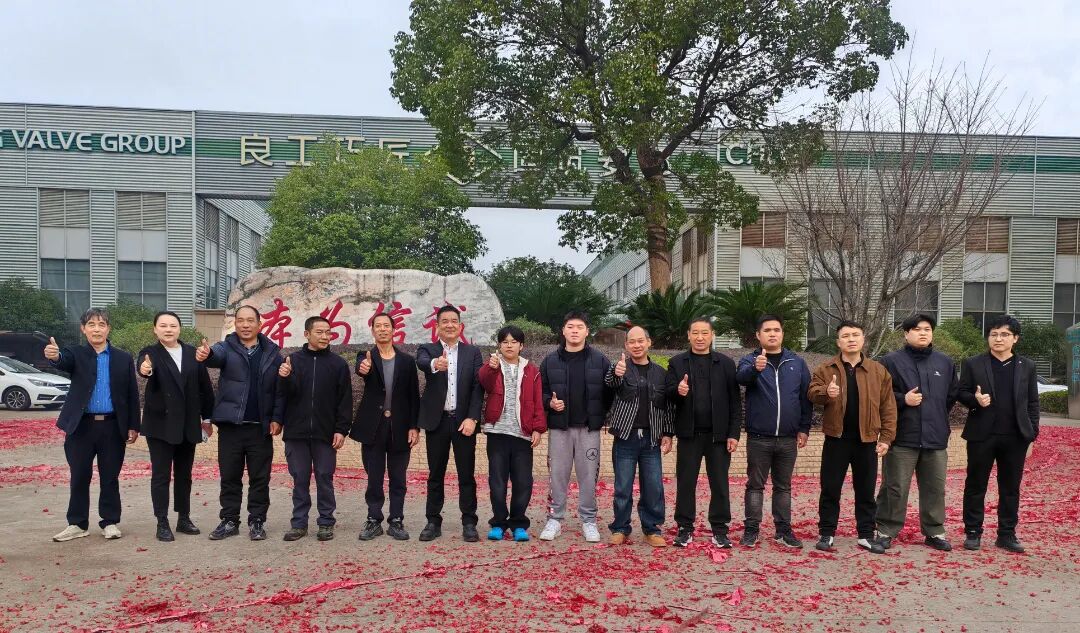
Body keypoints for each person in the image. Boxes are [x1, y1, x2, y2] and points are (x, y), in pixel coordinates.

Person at [46, 308, 141, 542]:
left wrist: (133, 425)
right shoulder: (75, 353)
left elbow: (132, 393)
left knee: (110, 477)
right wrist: (55, 356)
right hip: (81, 427)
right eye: (91, 325)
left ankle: (110, 522)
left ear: (108, 329)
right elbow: (63, 361)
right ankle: (77, 524)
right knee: (79, 476)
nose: (96, 329)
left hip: (112, 426)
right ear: (83, 329)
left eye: (101, 325)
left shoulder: (123, 358)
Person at [195, 305, 284, 542]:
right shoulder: (226, 347)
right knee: (230, 477)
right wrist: (207, 354)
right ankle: (229, 520)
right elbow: (214, 356)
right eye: (240, 320)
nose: (245, 325)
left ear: (260, 324)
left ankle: (257, 521)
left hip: (260, 428)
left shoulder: (273, 353)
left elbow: (280, 391)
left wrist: (277, 418)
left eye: (250, 320)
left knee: (260, 478)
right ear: (235, 324)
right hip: (231, 426)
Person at [807, 321, 896, 555]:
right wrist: (826, 392)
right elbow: (812, 393)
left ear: (863, 339)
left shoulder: (878, 371)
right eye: (845, 336)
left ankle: (866, 535)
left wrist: (886, 437)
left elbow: (888, 407)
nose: (851, 339)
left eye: (856, 334)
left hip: (867, 439)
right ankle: (826, 533)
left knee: (866, 490)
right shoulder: (826, 368)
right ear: (838, 342)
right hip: (836, 438)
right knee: (830, 489)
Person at [876, 313, 959, 552]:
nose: (923, 333)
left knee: (935, 488)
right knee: (895, 487)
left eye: (927, 329)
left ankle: (934, 531)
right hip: (902, 437)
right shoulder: (890, 361)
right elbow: (880, 396)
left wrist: (936, 416)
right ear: (906, 333)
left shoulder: (944, 362)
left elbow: (951, 396)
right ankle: (886, 530)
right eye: (917, 329)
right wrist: (903, 399)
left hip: (935, 438)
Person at [957, 315, 1039, 554]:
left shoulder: (1027, 366)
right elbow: (961, 392)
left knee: (1010, 487)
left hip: (1015, 436)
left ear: (1015, 338)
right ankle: (973, 532)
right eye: (994, 334)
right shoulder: (973, 363)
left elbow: (1032, 401)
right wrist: (975, 400)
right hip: (982, 434)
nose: (998, 339)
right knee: (975, 485)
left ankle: (1006, 534)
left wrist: (1032, 430)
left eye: (1004, 334)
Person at [136, 311, 215, 542]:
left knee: (184, 475)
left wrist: (207, 418)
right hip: (160, 425)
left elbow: (205, 388)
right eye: (163, 325)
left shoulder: (192, 353)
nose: (168, 329)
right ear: (155, 329)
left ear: (180, 329)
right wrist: (145, 369)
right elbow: (143, 368)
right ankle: (162, 521)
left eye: (173, 325)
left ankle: (184, 518)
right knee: (161, 475)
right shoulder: (150, 353)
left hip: (188, 424)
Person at [735, 314, 811, 548]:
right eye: (767, 330)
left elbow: (805, 398)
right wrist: (755, 369)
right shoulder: (749, 360)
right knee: (755, 486)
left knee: (783, 487)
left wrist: (804, 428)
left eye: (776, 330)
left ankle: (783, 530)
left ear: (782, 333)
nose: (772, 334)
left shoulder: (797, 363)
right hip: (759, 438)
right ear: (758, 335)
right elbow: (741, 378)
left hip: (788, 438)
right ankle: (751, 530)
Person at [275, 316, 353, 542]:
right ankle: (299, 524)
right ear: (307, 334)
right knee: (299, 478)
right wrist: (284, 378)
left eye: (328, 332)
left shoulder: (338, 364)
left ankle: (326, 522)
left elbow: (344, 401)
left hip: (325, 433)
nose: (325, 336)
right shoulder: (292, 361)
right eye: (319, 332)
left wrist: (341, 429)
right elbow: (282, 395)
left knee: (324, 477)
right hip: (296, 433)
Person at [666, 317, 741, 548]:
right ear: (688, 335)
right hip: (689, 435)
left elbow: (735, 402)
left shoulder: (726, 363)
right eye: (695, 333)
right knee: (686, 484)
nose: (700, 337)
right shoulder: (677, 363)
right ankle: (685, 528)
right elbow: (666, 396)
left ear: (712, 335)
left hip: (718, 436)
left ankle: (720, 530)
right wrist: (677, 390)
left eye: (704, 333)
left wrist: (733, 433)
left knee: (719, 484)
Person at [539, 311, 612, 543]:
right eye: (570, 326)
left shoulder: (600, 361)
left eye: (579, 327)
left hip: (589, 429)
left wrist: (599, 415)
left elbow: (610, 393)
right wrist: (549, 403)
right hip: (559, 428)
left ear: (587, 331)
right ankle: (554, 519)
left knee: (588, 476)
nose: (574, 331)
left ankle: (589, 520)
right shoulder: (550, 361)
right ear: (563, 330)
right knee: (557, 475)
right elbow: (539, 392)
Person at [415, 305, 485, 542]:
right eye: (444, 321)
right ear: (437, 326)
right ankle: (433, 521)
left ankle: (469, 521)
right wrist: (435, 364)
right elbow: (422, 362)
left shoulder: (472, 352)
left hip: (463, 422)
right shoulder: (428, 349)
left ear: (460, 326)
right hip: (438, 421)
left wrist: (472, 418)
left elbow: (477, 388)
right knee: (436, 474)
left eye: (454, 321)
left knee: (466, 475)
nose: (449, 325)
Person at [352, 312, 421, 541]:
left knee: (398, 477)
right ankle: (374, 520)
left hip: (400, 427)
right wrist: (363, 367)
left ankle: (396, 520)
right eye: (378, 326)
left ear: (393, 330)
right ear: (373, 331)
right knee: (374, 477)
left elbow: (413, 396)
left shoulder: (407, 361)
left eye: (386, 326)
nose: (382, 329)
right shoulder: (366, 356)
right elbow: (361, 368)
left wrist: (414, 426)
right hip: (373, 426)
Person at [604, 326, 673, 547]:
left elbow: (668, 406)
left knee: (653, 487)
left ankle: (651, 529)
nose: (636, 345)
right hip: (625, 438)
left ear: (649, 342)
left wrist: (667, 433)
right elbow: (610, 382)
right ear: (626, 345)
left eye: (640, 340)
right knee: (622, 487)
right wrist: (616, 372)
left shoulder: (660, 373)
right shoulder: (620, 368)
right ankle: (620, 528)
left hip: (651, 439)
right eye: (632, 342)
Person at [477, 324, 547, 542]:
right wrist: (491, 368)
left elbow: (537, 401)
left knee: (523, 482)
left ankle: (518, 524)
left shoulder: (532, 370)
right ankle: (498, 523)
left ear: (521, 346)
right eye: (505, 342)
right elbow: (484, 382)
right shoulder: (492, 365)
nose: (509, 345)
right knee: (497, 482)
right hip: (497, 433)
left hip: (522, 434)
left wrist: (538, 428)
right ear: (499, 345)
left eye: (514, 342)